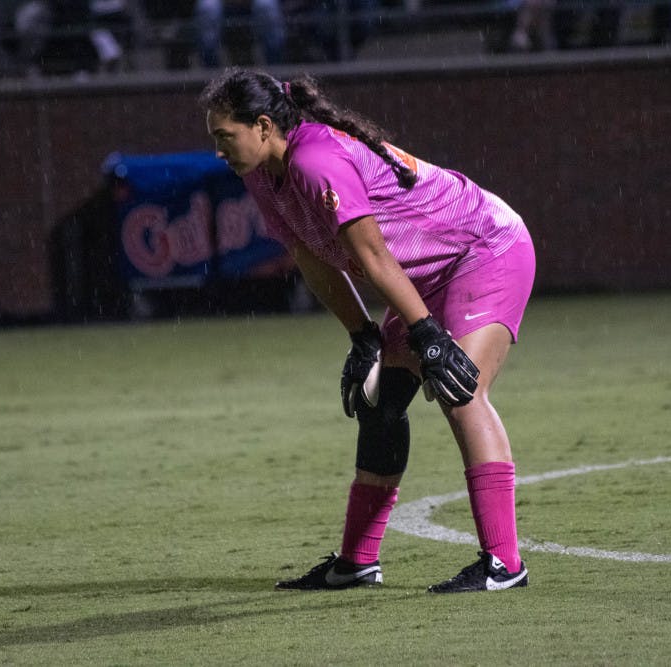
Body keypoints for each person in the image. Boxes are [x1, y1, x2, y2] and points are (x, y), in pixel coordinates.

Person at [198, 68, 535, 593]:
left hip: (486, 249)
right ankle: (357, 562)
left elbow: (371, 254)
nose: (219, 149)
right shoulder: (261, 173)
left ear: (263, 126)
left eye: (225, 136)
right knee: (380, 407)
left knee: (460, 388)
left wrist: (424, 334)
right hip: (427, 275)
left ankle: (505, 563)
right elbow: (311, 255)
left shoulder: (316, 161)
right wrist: (362, 335)